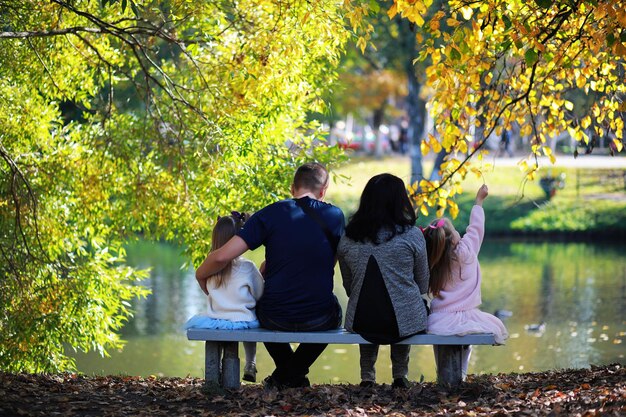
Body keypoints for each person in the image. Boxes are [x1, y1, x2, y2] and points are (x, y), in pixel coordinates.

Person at [195, 162, 345, 389]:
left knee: (259, 308)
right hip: (319, 317)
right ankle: (293, 374)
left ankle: (287, 374)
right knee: (335, 314)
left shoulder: (271, 213)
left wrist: (200, 275)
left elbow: (221, 258)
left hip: (274, 316)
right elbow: (329, 263)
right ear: (323, 191)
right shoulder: (335, 216)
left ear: (292, 188)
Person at [337, 173, 430, 389]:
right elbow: (423, 283)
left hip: (362, 319)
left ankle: (367, 377)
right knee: (406, 307)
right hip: (406, 322)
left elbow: (349, 286)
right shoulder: (413, 235)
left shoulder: (348, 238)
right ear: (400, 201)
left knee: (368, 306)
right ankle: (400, 376)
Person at [421, 184, 508, 380]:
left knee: (442, 341)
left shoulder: (432, 260)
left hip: (441, 317)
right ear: (454, 238)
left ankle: (442, 373)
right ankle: (460, 373)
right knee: (465, 340)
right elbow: (476, 229)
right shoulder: (467, 251)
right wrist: (479, 201)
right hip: (468, 315)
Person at [186, 213, 264, 382]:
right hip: (242, 319)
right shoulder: (247, 267)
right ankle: (250, 362)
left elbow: (206, 288)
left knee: (219, 333)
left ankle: (216, 371)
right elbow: (259, 294)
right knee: (251, 321)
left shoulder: (210, 267)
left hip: (216, 318)